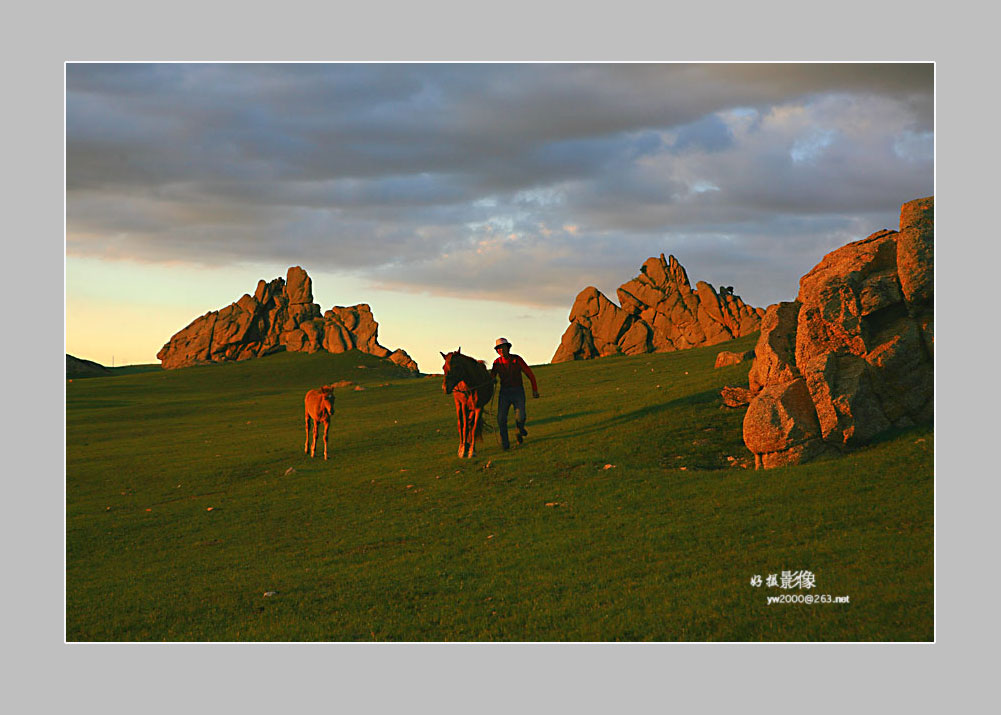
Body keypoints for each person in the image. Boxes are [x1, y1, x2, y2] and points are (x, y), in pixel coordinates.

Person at [490, 337, 540, 450]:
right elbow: (491, 377)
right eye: (499, 349)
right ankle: (505, 445)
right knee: (501, 418)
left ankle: (519, 430)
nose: (501, 351)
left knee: (520, 416)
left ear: (508, 348)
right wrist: (492, 380)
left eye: (503, 348)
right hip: (504, 393)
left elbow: (530, 374)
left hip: (518, 391)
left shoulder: (517, 360)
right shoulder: (496, 363)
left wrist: (535, 390)